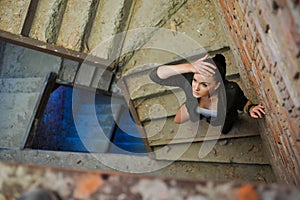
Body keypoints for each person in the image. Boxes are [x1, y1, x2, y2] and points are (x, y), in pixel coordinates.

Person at [149, 54, 265, 134]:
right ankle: (197, 114)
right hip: (194, 107)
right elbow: (155, 76)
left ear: (217, 85)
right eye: (195, 81)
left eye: (204, 85)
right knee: (177, 120)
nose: (196, 88)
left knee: (224, 130)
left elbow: (243, 103)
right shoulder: (189, 81)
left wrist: (250, 108)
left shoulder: (231, 91)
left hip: (223, 118)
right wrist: (190, 67)